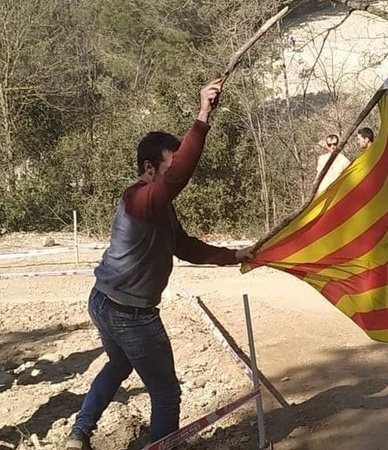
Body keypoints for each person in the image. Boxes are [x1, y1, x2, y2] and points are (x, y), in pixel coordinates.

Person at [65, 79, 252, 450]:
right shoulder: (138, 199)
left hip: (104, 301)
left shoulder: (159, 207)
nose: (174, 178)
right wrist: (202, 116)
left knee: (118, 364)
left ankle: (79, 433)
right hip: (128, 313)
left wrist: (233, 256)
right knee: (166, 393)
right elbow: (181, 174)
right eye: (168, 168)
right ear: (149, 168)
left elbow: (184, 246)